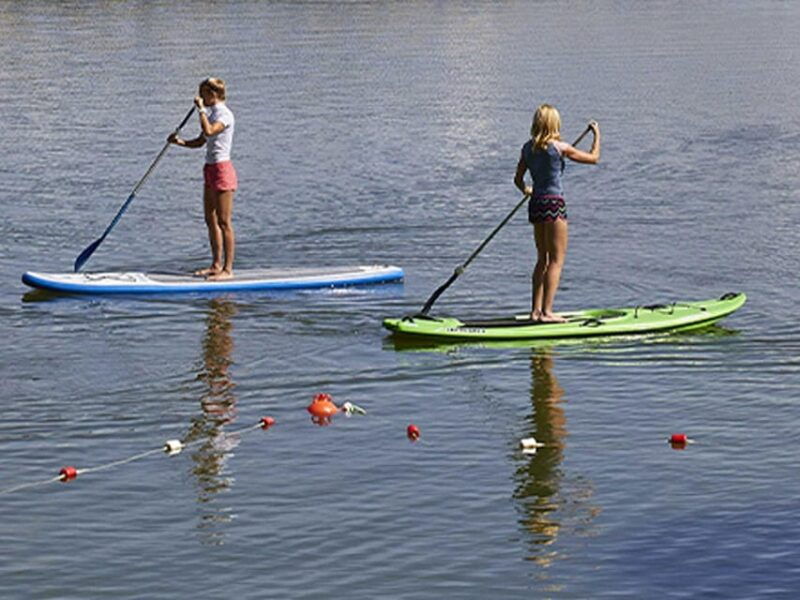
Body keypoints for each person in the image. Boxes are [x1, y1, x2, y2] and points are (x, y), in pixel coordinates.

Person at [514, 104, 600, 322]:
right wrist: (597, 134)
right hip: (554, 204)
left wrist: (527, 190)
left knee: (542, 259)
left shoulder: (527, 149)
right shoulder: (561, 148)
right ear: (554, 124)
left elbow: (518, 179)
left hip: (536, 204)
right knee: (556, 260)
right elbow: (594, 157)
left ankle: (535, 311)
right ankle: (547, 312)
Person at [168, 77, 237, 280]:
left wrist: (200, 110)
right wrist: (178, 142)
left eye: (203, 93)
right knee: (210, 219)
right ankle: (216, 265)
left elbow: (209, 130)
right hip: (209, 168)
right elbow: (200, 141)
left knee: (224, 221)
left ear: (213, 94)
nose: (199, 97)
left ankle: (228, 270)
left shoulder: (224, 115)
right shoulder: (212, 113)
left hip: (223, 169)